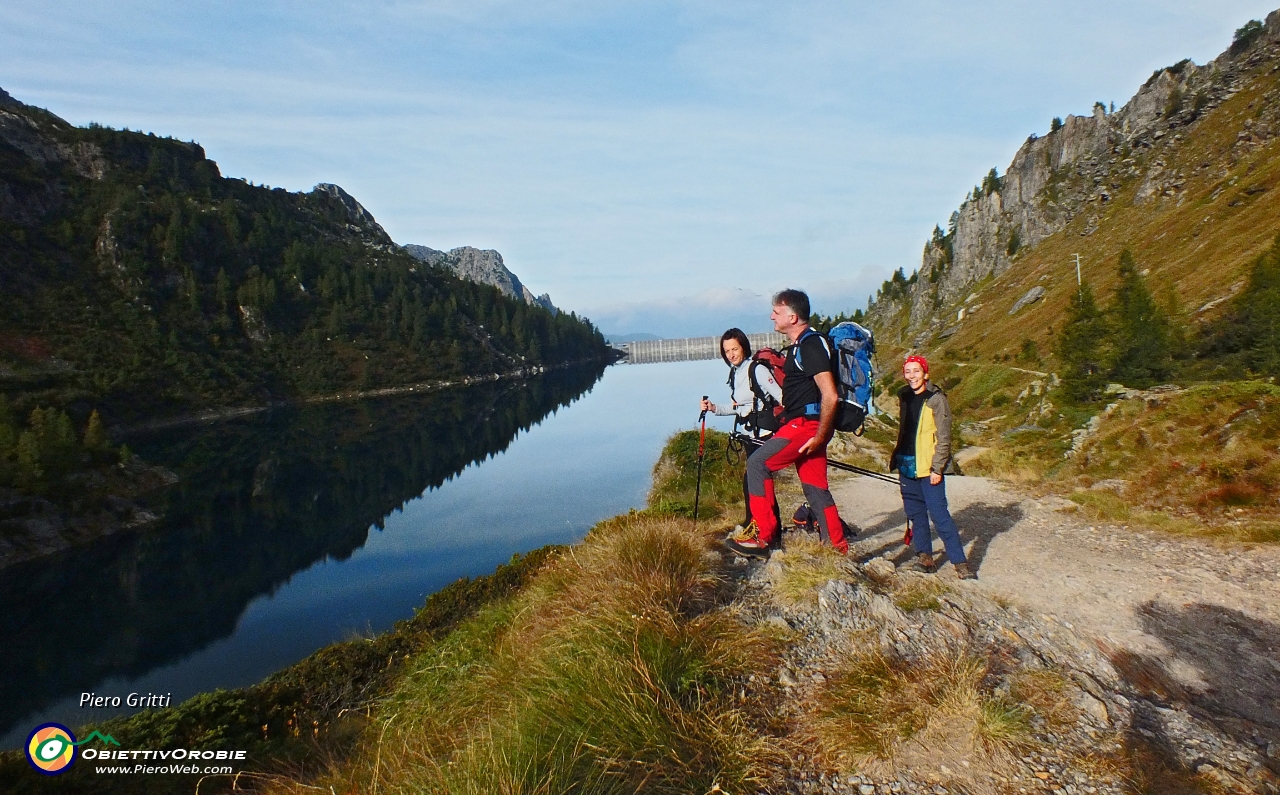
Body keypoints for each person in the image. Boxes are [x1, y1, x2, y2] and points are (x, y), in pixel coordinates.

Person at [726, 289, 852, 558]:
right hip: (806, 426)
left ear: (793, 317)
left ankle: (764, 537)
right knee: (815, 487)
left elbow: (830, 394)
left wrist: (820, 435)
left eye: (776, 311)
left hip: (806, 427)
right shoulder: (802, 345)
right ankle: (836, 546)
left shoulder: (810, 345)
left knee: (757, 464)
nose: (772, 315)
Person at [891, 355, 975, 579]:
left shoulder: (937, 399)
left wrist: (938, 468)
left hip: (929, 469)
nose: (911, 376)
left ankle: (960, 563)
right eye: (907, 371)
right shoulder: (905, 396)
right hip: (907, 465)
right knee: (916, 515)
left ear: (926, 374)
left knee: (940, 516)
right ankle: (925, 559)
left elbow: (944, 437)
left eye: (916, 371)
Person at [700, 328, 782, 530]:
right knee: (751, 481)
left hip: (763, 435)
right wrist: (713, 408)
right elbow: (738, 406)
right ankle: (753, 521)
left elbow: (782, 398)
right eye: (727, 351)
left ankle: (770, 528)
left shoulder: (757, 370)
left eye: (734, 349)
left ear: (743, 347)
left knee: (758, 481)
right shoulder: (736, 373)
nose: (731, 354)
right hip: (748, 435)